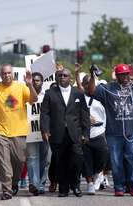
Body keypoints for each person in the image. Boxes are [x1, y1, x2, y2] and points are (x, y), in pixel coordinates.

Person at [88, 64, 133, 197]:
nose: (125, 77)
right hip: (114, 133)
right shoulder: (108, 88)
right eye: (122, 74)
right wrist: (93, 75)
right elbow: (92, 91)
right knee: (116, 160)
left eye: (127, 74)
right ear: (117, 76)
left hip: (132, 132)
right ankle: (119, 186)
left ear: (130, 74)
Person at [0, 64, 38, 200]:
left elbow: (34, 100)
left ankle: (14, 182)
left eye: (9, 73)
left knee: (19, 161)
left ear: (13, 74)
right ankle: (7, 190)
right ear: (0, 75)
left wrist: (30, 85)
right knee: (4, 162)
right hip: (1, 132)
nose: (7, 75)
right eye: (4, 73)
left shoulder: (21, 87)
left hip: (19, 132)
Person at [40, 68, 90, 198]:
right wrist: (45, 130)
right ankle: (63, 188)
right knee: (61, 161)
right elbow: (45, 113)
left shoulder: (78, 93)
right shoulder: (50, 93)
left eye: (65, 75)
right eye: (60, 75)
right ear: (57, 78)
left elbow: (84, 114)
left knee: (77, 160)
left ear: (70, 78)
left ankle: (75, 185)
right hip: (57, 133)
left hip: (75, 133)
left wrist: (86, 132)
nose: (62, 77)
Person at [75, 67, 109, 195]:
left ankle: (97, 172)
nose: (89, 86)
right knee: (86, 159)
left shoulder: (101, 96)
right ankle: (89, 183)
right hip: (85, 133)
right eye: (86, 83)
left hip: (99, 131)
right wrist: (85, 118)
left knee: (103, 154)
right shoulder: (79, 97)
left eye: (91, 83)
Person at [26, 72, 49, 196]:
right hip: (30, 131)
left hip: (45, 132)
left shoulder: (47, 95)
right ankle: (34, 184)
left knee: (45, 160)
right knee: (32, 158)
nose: (35, 82)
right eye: (33, 80)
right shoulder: (25, 94)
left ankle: (41, 183)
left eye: (37, 80)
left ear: (42, 82)